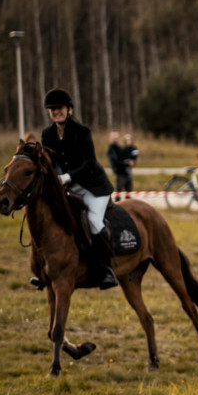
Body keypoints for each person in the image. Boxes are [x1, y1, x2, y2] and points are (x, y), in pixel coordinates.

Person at [41, 88, 117, 289]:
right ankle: (45, 269)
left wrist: (67, 176)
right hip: (69, 189)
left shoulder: (82, 132)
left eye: (60, 108)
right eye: (52, 109)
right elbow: (49, 161)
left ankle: (105, 269)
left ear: (69, 110)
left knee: (92, 221)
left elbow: (90, 163)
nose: (56, 111)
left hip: (94, 188)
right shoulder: (47, 134)